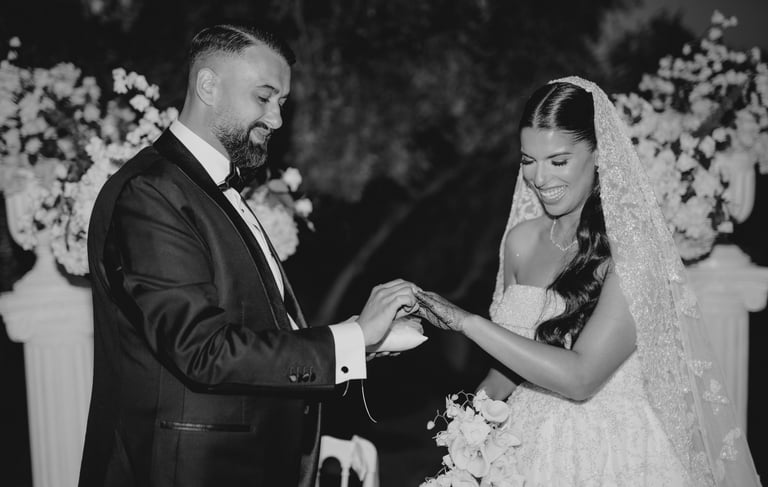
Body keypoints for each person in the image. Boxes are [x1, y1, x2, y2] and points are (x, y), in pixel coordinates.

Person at [79, 24, 418, 487]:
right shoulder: (151, 192)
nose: (276, 119)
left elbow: (255, 333)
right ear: (207, 85)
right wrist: (349, 338)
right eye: (264, 97)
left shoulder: (211, 189)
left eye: (280, 102)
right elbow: (200, 349)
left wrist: (365, 343)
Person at [414, 77, 761, 486]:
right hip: (521, 450)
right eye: (528, 161)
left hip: (611, 455)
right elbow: (507, 367)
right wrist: (466, 444)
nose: (540, 178)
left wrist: (467, 323)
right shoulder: (521, 242)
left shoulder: (633, 254)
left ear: (598, 155)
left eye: (558, 161)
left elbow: (582, 378)